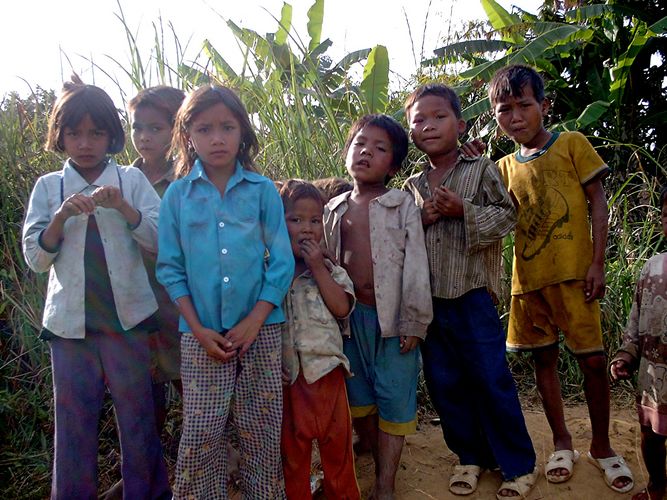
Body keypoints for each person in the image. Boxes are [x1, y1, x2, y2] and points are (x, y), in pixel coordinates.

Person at [22, 78, 170, 499]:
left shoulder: (130, 182)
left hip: (127, 323)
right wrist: (60, 218)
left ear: (111, 135)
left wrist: (124, 208)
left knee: (138, 419)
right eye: (74, 133)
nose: (85, 143)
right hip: (69, 328)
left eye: (95, 133)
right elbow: (36, 258)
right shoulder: (49, 187)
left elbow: (161, 242)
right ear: (61, 136)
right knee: (73, 424)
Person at [490, 64, 634, 493]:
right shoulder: (501, 168)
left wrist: (597, 263)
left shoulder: (572, 144)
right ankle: (562, 442)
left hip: (574, 276)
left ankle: (603, 445)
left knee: (592, 359)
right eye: (504, 110)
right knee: (543, 361)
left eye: (524, 105)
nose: (515, 117)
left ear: (544, 106)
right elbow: (490, 215)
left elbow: (598, 204)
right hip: (529, 281)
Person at [156, 85, 294, 499]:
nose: (217, 138)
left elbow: (282, 262)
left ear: (243, 133)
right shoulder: (178, 197)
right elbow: (170, 267)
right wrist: (196, 328)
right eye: (205, 128)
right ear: (188, 136)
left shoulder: (262, 190)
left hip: (262, 330)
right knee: (201, 432)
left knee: (262, 430)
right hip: (202, 335)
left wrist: (255, 320)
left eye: (228, 127)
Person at [402, 83, 537, 500]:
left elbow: (506, 217)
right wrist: (419, 221)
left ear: (459, 125)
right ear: (410, 132)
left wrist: (464, 211)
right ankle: (469, 456)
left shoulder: (480, 169)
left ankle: (518, 465)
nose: (429, 125)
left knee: (491, 379)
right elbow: (399, 244)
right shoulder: (411, 185)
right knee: (445, 384)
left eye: (439, 117)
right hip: (429, 304)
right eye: (419, 119)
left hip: (472, 296)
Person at [323, 114, 433, 500]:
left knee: (394, 397)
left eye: (380, 148)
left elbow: (416, 265)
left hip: (394, 321)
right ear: (346, 152)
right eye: (359, 144)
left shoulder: (400, 204)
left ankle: (385, 484)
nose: (366, 151)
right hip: (350, 322)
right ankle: (370, 447)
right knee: (361, 397)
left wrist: (414, 322)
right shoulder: (334, 208)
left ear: (394, 165)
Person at [100, 85, 186, 500]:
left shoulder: (188, 178)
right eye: (138, 127)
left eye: (157, 126)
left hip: (179, 305)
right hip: (132, 304)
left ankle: (223, 459)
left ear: (178, 128)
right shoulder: (120, 179)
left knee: (194, 387)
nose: (145, 136)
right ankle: (139, 474)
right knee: (141, 400)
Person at [279, 179, 360, 499]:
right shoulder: (273, 272)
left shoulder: (332, 271)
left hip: (327, 373)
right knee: (292, 454)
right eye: (295, 220)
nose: (307, 229)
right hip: (288, 376)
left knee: (336, 449)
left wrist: (318, 266)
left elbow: (341, 308)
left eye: (315, 220)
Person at [611, 186, 667, 500]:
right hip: (654, 377)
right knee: (651, 436)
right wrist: (626, 356)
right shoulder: (653, 267)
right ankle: (658, 486)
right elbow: (636, 320)